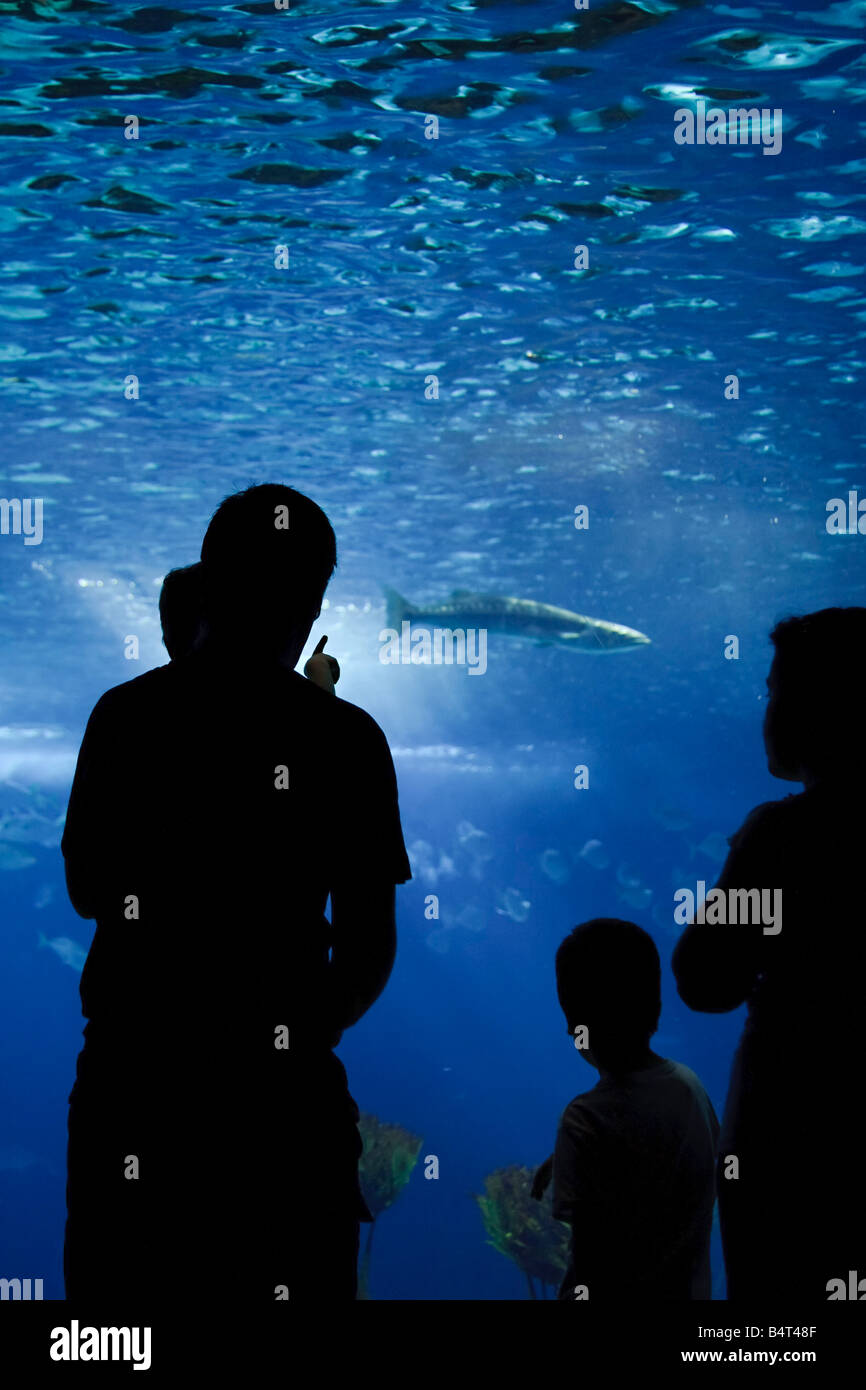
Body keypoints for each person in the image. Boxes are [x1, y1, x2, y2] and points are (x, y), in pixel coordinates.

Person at [62, 483, 411, 1303]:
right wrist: (282, 1036)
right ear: (317, 596)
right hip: (284, 1117)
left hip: (135, 1094)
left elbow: (87, 889)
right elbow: (368, 948)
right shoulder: (349, 740)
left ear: (208, 580)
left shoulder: (125, 718)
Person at [673, 607, 866, 1300]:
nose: (769, 711)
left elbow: (705, 979)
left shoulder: (782, 835)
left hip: (793, 1130)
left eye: (777, 691)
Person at [533, 918, 719, 1300]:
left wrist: (576, 1150)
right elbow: (658, 1148)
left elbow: (592, 1258)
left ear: (573, 1023)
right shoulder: (690, 1087)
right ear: (657, 1004)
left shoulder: (583, 1119)